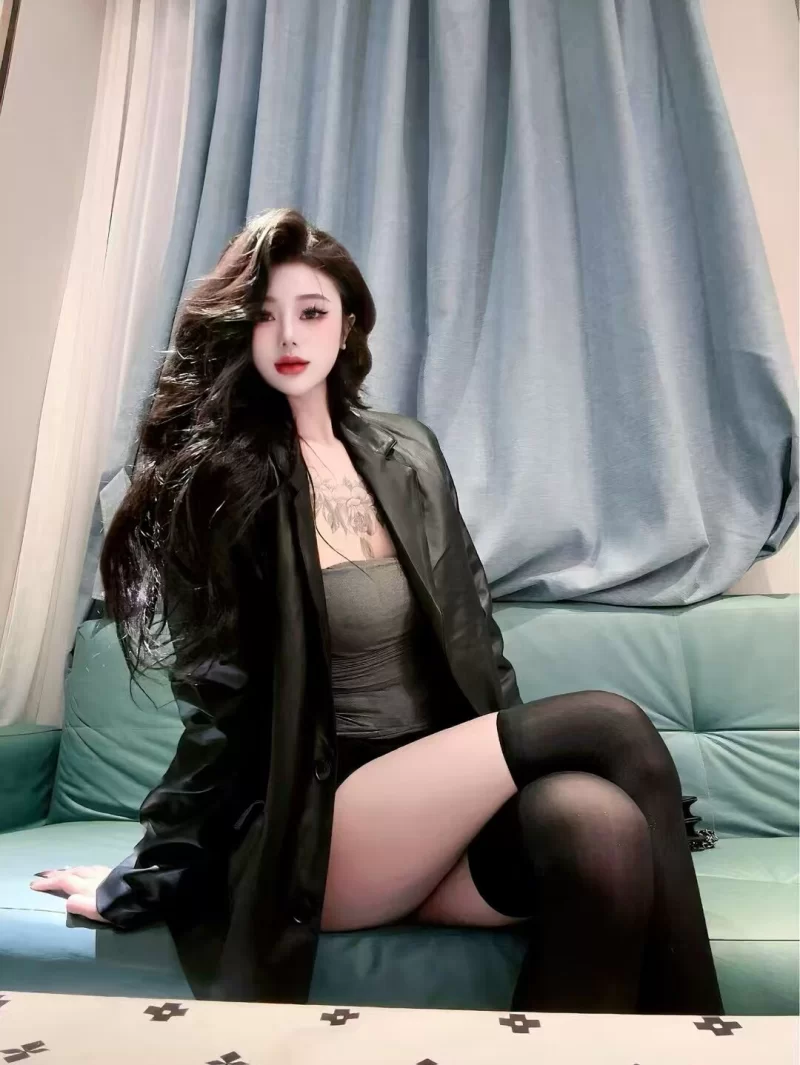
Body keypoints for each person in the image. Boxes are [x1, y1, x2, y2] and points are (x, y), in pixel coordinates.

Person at [30, 207, 723, 1015]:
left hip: (440, 819)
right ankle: (713, 1041)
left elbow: (478, 648)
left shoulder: (409, 452)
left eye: (312, 311)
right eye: (265, 315)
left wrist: (520, 778)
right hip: (333, 828)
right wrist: (147, 873)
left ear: (348, 323)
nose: (289, 334)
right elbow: (220, 718)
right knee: (610, 723)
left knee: (598, 826)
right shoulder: (224, 482)